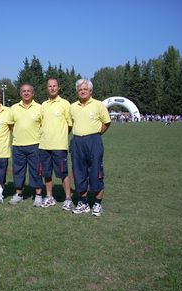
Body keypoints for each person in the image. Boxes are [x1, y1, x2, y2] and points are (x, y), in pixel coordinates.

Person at [70, 79, 111, 216]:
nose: (82, 91)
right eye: (80, 89)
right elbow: (70, 124)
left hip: (94, 141)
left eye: (85, 89)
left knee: (96, 172)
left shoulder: (98, 105)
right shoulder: (72, 106)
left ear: (90, 91)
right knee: (79, 173)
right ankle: (83, 203)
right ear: (77, 91)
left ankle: (97, 205)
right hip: (77, 142)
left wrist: (95, 134)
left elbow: (106, 123)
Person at [38, 78, 74, 209]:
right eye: (50, 86)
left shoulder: (65, 104)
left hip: (59, 146)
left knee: (63, 173)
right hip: (44, 146)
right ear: (47, 88)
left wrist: (61, 135)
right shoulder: (43, 105)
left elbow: (70, 125)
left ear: (58, 88)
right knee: (46, 173)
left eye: (54, 86)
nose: (52, 88)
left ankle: (68, 198)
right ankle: (49, 197)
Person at [8, 84, 43, 206]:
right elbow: (11, 125)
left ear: (33, 93)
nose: (26, 93)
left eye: (29, 91)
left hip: (35, 145)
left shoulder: (40, 108)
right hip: (18, 146)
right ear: (20, 93)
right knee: (18, 171)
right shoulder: (13, 108)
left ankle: (38, 195)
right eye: (24, 91)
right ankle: (19, 194)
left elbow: (43, 126)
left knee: (36, 171)